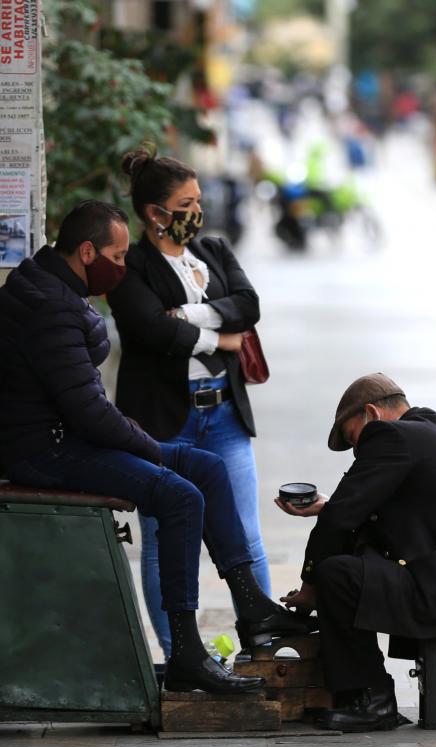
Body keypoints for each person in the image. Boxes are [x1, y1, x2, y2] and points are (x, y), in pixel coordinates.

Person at [0, 201, 311, 693]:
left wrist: (139, 441)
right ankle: (187, 652)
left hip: (68, 436)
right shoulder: (50, 305)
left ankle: (252, 611)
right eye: (117, 257)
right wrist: (146, 445)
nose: (121, 268)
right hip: (48, 451)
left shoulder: (49, 281)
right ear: (86, 251)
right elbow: (86, 411)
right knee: (179, 495)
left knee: (206, 469)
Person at [275, 373, 436, 733]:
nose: (359, 451)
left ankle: (375, 700)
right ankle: (360, 695)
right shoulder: (429, 428)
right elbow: (367, 511)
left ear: (372, 415)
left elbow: (341, 519)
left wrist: (311, 584)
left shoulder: (390, 436)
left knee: (337, 575)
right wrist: (333, 507)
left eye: (353, 437)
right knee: (358, 558)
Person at [106, 146, 270, 660]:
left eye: (198, 200)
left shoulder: (215, 251)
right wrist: (218, 339)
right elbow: (148, 330)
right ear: (156, 213)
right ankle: (183, 656)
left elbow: (248, 306)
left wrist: (186, 316)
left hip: (223, 414)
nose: (197, 211)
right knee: (164, 545)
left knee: (247, 535)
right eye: (186, 202)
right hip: (161, 422)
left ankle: (262, 643)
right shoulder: (130, 264)